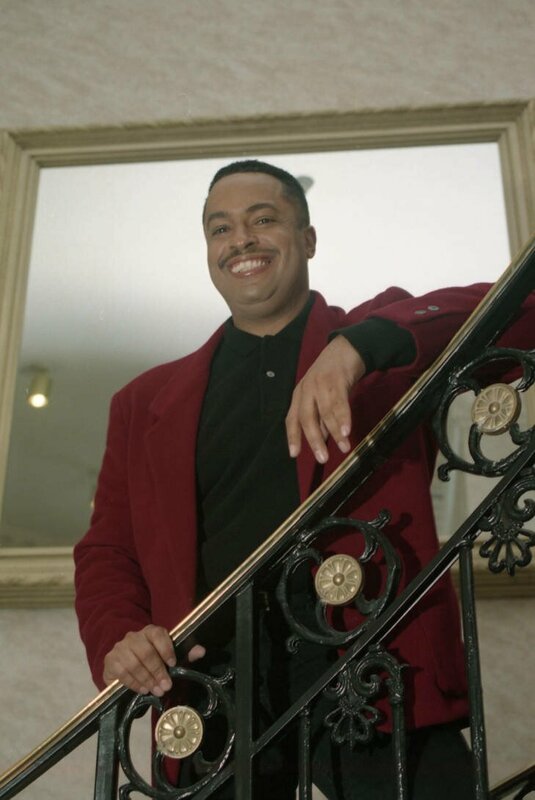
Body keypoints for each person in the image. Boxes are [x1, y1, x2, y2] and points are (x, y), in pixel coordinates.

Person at [74, 160, 534, 798]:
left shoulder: (384, 343)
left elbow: (525, 306)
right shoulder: (142, 400)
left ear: (309, 239)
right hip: (214, 701)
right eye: (221, 228)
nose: (242, 240)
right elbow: (107, 551)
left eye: (264, 219)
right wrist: (118, 638)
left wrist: (361, 346)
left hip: (377, 680)